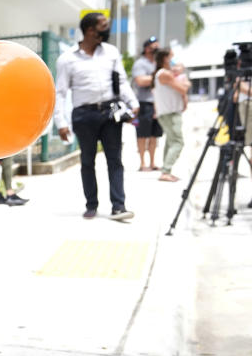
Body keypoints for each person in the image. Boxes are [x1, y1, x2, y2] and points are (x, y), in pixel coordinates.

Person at [54, 12, 138, 221]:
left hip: (110, 113)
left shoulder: (111, 52)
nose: (107, 28)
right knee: (87, 161)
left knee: (115, 160)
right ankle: (91, 204)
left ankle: (119, 206)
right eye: (103, 25)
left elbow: (122, 81)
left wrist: (133, 103)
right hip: (83, 115)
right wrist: (61, 123)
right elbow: (60, 92)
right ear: (90, 30)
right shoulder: (67, 59)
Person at [152, 48, 190, 182]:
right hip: (170, 113)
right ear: (165, 59)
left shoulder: (164, 74)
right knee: (178, 142)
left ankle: (166, 170)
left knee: (170, 142)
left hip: (170, 112)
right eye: (172, 57)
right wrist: (185, 82)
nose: (174, 60)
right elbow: (183, 88)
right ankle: (166, 171)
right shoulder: (164, 74)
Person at [131, 36, 162, 172]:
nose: (156, 48)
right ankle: (143, 163)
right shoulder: (140, 63)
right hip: (143, 104)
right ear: (147, 48)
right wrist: (158, 77)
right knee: (142, 134)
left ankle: (153, 162)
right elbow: (140, 81)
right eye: (154, 46)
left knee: (155, 135)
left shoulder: (157, 64)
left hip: (158, 104)